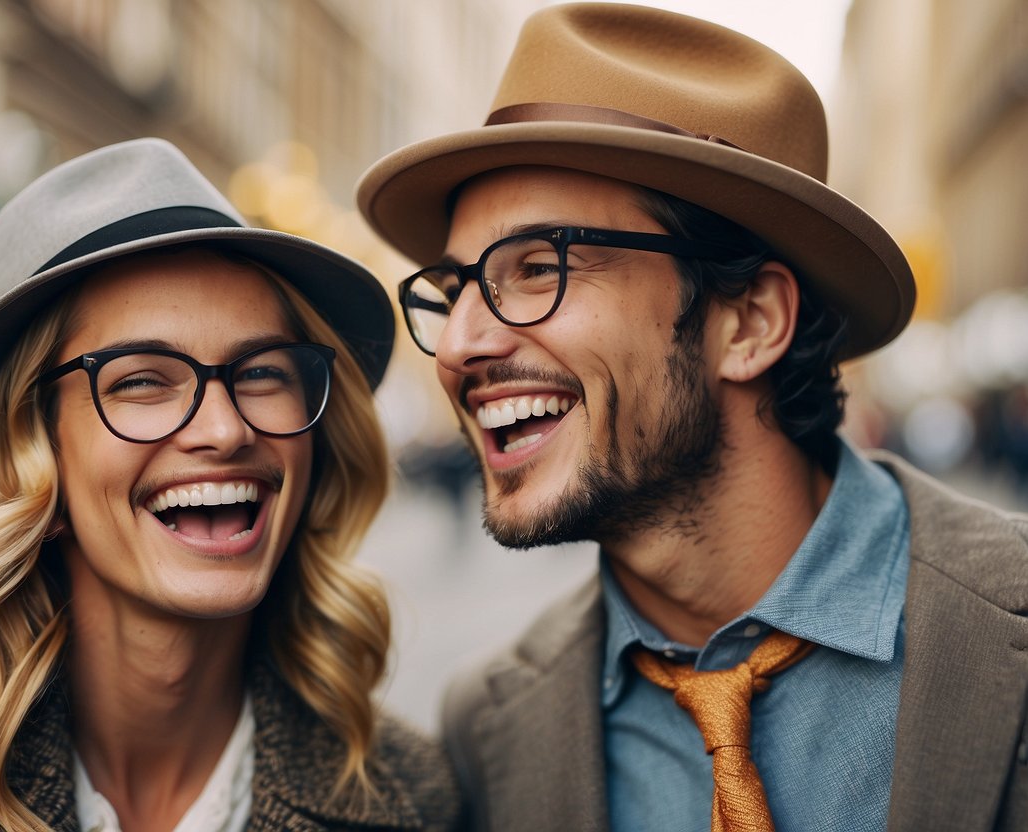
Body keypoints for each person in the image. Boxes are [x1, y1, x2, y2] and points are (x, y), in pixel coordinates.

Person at [356, 4, 1028, 832]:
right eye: (454, 290)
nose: (458, 344)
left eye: (537, 267)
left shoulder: (1007, 627)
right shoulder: (484, 736)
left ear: (747, 322)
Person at [0, 138, 460, 831]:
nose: (223, 429)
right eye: (142, 380)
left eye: (262, 371)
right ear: (34, 455)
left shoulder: (410, 796)